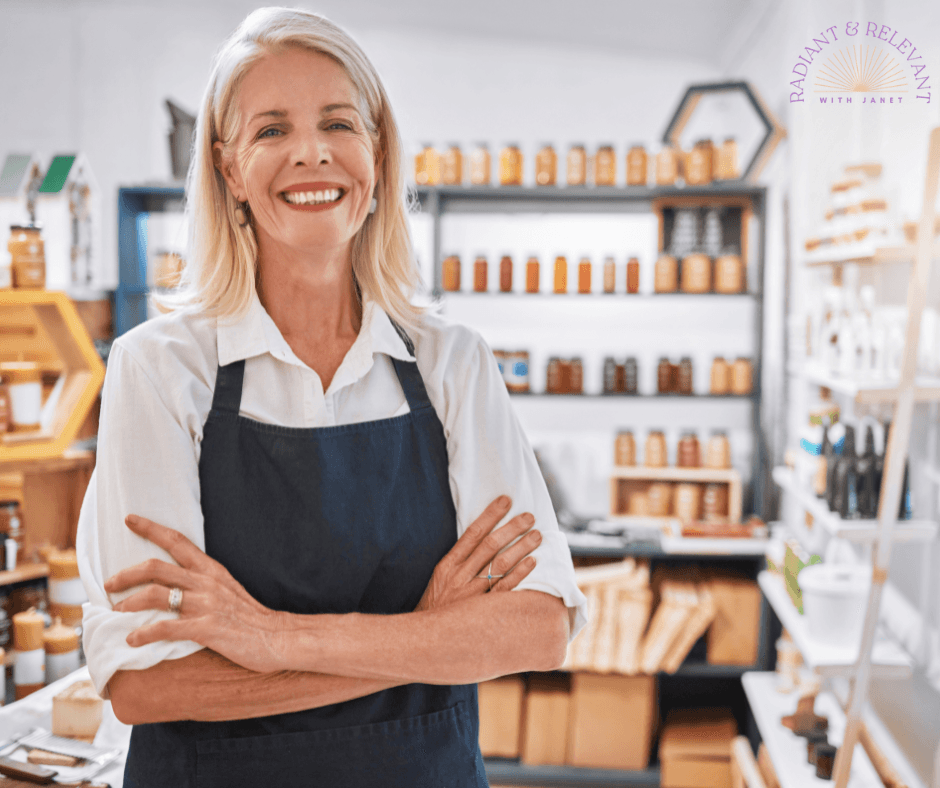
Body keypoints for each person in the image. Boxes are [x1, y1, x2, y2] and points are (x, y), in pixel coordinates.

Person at [76, 7, 587, 787]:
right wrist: (425, 635)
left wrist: (275, 638)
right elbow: (147, 684)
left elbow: (539, 631)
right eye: (271, 130)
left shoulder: (454, 366)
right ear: (228, 167)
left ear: (377, 155)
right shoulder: (158, 370)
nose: (311, 153)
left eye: (339, 123)